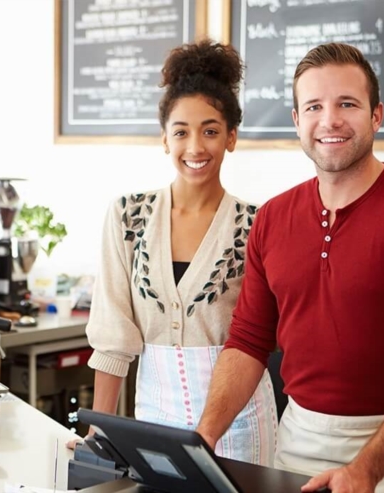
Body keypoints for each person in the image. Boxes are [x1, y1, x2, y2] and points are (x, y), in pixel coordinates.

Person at [196, 42, 384, 493]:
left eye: (347, 103)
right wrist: (204, 435)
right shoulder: (273, 218)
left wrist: (366, 470)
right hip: (296, 445)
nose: (330, 120)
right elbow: (248, 340)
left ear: (376, 115)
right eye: (314, 106)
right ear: (297, 121)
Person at [80, 39, 278, 466]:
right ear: (164, 139)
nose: (195, 147)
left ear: (232, 138)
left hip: (240, 422)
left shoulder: (258, 223)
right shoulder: (127, 217)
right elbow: (114, 338)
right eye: (181, 131)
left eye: (210, 130)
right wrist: (99, 430)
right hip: (154, 417)